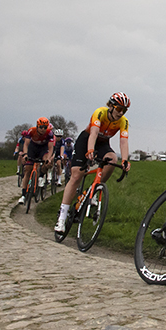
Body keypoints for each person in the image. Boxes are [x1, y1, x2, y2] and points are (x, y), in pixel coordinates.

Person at [55, 93, 132, 237]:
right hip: (86, 140)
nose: (121, 113)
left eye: (124, 110)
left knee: (112, 159)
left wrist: (125, 160)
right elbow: (94, 133)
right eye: (119, 109)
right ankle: (62, 218)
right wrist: (90, 150)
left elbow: (123, 141)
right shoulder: (100, 112)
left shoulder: (124, 121)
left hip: (103, 144)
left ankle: (96, 188)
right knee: (77, 175)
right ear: (110, 106)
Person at [17, 118, 56, 206]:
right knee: (27, 169)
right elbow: (26, 144)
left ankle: (41, 177)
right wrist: (25, 154)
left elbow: (50, 148)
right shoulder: (31, 131)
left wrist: (49, 158)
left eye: (45, 127)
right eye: (41, 127)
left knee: (47, 162)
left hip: (43, 149)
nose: (43, 129)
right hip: (33, 148)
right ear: (37, 126)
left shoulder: (49, 133)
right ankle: (23, 195)